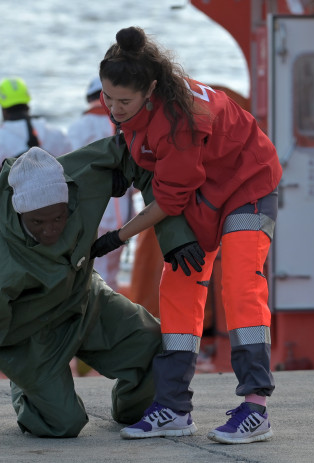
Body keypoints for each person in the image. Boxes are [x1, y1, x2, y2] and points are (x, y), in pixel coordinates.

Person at [90, 26, 282, 444]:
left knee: (239, 285)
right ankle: (174, 408)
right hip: (203, 197)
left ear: (151, 89)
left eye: (124, 101)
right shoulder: (136, 109)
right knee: (177, 289)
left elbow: (169, 202)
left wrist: (116, 238)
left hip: (247, 188)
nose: (114, 108)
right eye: (108, 97)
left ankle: (256, 407)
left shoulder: (180, 122)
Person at [0, 139, 193, 450]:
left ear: (71, 199)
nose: (50, 230)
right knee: (63, 425)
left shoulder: (85, 177)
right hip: (28, 336)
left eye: (58, 218)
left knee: (158, 346)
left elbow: (143, 156)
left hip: (83, 296)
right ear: (19, 212)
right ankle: (26, 391)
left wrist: (176, 238)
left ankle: (132, 410)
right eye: (38, 222)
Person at [66, 76, 135, 290]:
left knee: (92, 273)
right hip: (123, 214)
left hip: (90, 211)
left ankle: (96, 319)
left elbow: (69, 172)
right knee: (110, 274)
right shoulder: (129, 125)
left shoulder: (78, 128)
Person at [0, 77, 72, 205]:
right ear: (28, 105)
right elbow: (71, 169)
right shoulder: (55, 135)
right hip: (57, 209)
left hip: (19, 213)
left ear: (3, 109)